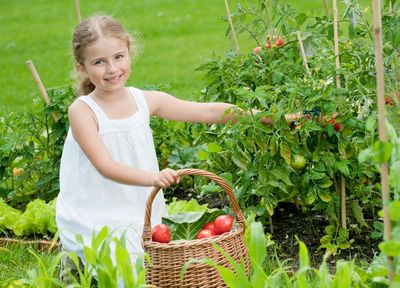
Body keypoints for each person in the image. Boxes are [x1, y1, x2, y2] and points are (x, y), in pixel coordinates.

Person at [55, 14, 303, 284]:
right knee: (104, 272)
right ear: (82, 68)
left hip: (137, 209)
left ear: (129, 52)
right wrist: (153, 177)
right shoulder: (82, 111)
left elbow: (210, 110)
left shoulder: (144, 101)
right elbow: (105, 166)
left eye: (118, 57)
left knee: (142, 270)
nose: (112, 68)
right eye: (99, 62)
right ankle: (74, 265)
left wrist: (272, 117)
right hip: (94, 211)